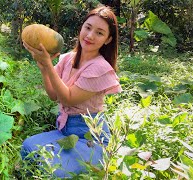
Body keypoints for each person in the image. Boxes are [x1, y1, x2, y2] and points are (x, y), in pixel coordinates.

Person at [20, 5, 122, 178]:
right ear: (81, 28)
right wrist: (44, 68)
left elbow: (67, 99)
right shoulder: (68, 58)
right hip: (65, 130)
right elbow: (54, 96)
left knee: (56, 172)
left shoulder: (100, 68)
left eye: (99, 33)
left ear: (107, 39)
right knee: (28, 147)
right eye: (87, 28)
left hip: (90, 137)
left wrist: (48, 65)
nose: (90, 36)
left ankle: (99, 159)